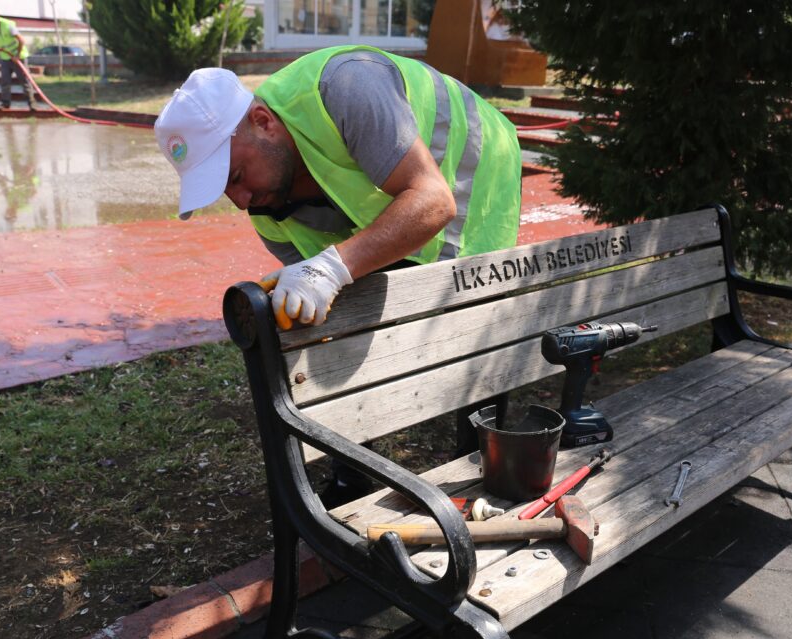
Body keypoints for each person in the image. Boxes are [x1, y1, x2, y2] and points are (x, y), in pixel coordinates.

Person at [155, 46, 522, 503]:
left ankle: (480, 461)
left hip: (474, 167)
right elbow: (332, 297)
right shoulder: (267, 205)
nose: (242, 200)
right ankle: (354, 474)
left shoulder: (347, 86)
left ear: (264, 122)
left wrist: (329, 267)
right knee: (343, 319)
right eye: (223, 191)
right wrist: (309, 289)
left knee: (472, 309)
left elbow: (433, 202)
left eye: (234, 175)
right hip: (403, 193)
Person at [0, 7, 37, 112]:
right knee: (5, 82)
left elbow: (21, 40)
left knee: (24, 82)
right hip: (5, 58)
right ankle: (5, 104)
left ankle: (32, 104)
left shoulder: (7, 24)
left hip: (19, 58)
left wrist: (17, 55)